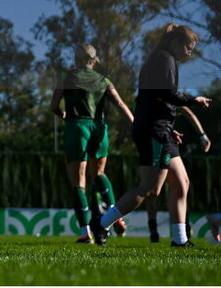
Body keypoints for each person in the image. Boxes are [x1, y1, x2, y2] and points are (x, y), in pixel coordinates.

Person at [91, 24, 211, 247]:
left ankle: (180, 240)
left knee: (181, 182)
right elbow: (168, 94)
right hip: (155, 131)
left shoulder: (161, 59)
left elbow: (155, 99)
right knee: (149, 189)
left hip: (158, 128)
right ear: (176, 43)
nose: (189, 53)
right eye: (188, 47)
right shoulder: (165, 59)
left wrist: (167, 125)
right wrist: (195, 100)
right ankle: (102, 223)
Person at [49, 44, 133, 244]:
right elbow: (121, 104)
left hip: (77, 127)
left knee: (79, 183)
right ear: (94, 60)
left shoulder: (66, 77)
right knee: (100, 174)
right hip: (99, 128)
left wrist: (64, 115)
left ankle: (86, 234)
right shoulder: (104, 80)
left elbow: (53, 106)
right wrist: (136, 125)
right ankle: (116, 216)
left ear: (76, 59)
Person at [143, 107, 211, 242]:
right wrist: (202, 135)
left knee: (181, 184)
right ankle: (104, 223)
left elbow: (187, 112)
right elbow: (188, 112)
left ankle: (179, 234)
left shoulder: (154, 94)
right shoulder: (162, 93)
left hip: (165, 139)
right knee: (152, 190)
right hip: (159, 140)